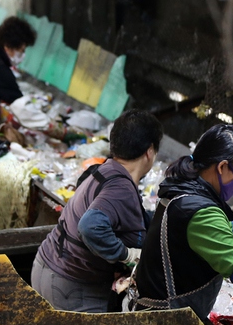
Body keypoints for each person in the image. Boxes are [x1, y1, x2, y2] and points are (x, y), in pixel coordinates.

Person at [133, 124, 233, 320]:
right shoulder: (199, 211)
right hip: (168, 323)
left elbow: (231, 229)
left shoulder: (185, 189)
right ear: (222, 167)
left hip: (161, 313)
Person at [31, 110, 164, 313]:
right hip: (70, 285)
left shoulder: (104, 170)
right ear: (149, 151)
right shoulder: (120, 188)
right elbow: (90, 226)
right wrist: (126, 254)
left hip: (47, 268)